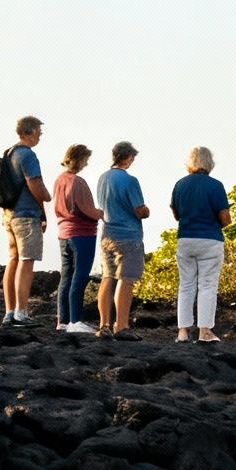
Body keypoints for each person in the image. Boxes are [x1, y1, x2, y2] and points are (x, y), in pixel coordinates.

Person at [169, 146, 232, 343]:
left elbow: (176, 213)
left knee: (186, 285)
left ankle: (182, 332)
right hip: (209, 239)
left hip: (185, 238)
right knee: (207, 286)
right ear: (209, 163)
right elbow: (225, 218)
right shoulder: (215, 185)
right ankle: (204, 331)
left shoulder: (180, 184)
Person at [0, 116, 53, 328]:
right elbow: (35, 185)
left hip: (9, 214)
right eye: (39, 131)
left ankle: (9, 312)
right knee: (27, 259)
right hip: (25, 215)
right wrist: (47, 198)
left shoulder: (9, 153)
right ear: (30, 131)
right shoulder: (28, 155)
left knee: (13, 259)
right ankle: (21, 313)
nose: (40, 135)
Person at [95, 141, 150, 341]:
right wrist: (146, 211)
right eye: (132, 158)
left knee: (107, 277)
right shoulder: (130, 181)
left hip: (107, 233)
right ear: (127, 157)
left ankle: (104, 325)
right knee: (126, 280)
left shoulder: (103, 178)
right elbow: (139, 210)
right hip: (128, 235)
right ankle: (122, 326)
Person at [52, 144, 102, 334]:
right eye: (86, 159)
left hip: (63, 233)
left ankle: (63, 320)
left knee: (66, 277)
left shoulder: (59, 180)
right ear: (80, 159)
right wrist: (100, 213)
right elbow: (86, 209)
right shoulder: (77, 182)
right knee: (80, 276)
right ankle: (75, 320)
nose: (87, 163)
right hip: (82, 234)